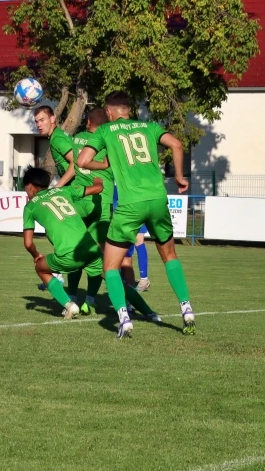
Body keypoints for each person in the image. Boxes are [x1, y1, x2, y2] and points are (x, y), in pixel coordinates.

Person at [77, 91, 195, 335]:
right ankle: (186, 308)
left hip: (130, 203)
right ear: (128, 109)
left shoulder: (105, 131)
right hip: (158, 199)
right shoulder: (150, 126)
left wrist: (105, 164)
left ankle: (124, 318)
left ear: (109, 112)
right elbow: (177, 144)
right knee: (170, 256)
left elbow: (83, 161)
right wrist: (180, 177)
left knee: (110, 267)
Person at [21, 168, 159, 329]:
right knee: (115, 280)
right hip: (91, 249)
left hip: (68, 255)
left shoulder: (30, 207)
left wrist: (36, 255)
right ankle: (150, 313)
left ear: (30, 186)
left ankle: (69, 305)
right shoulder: (63, 191)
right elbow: (98, 188)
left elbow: (28, 243)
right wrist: (98, 179)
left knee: (40, 268)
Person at [33, 104, 103, 312]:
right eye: (36, 121)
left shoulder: (58, 139)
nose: (39, 124)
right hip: (86, 196)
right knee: (86, 250)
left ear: (53, 119)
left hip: (82, 197)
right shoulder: (58, 137)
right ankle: (84, 298)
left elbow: (76, 164)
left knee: (55, 221)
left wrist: (57, 187)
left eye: (42, 120)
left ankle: (57, 274)